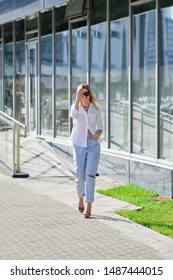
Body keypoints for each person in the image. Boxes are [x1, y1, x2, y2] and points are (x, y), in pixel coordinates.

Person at [70, 83, 103, 218]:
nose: (85, 96)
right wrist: (77, 98)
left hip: (93, 143)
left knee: (90, 175)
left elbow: (100, 126)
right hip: (78, 144)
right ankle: (80, 198)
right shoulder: (75, 108)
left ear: (90, 94)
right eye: (82, 93)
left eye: (86, 93)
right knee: (80, 175)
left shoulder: (96, 109)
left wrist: (97, 134)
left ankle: (89, 205)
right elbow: (73, 115)